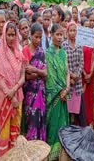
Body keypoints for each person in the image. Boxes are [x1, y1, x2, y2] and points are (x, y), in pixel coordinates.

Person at [0, 22, 26, 157]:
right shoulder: (0, 54)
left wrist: (15, 89)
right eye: (9, 35)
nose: (11, 38)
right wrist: (10, 94)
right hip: (5, 99)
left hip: (17, 97)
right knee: (5, 131)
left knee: (15, 130)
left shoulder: (19, 53)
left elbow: (23, 76)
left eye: (13, 35)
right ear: (4, 35)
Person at [45, 24, 70, 160]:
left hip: (64, 94)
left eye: (62, 35)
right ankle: (51, 154)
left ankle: (61, 154)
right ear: (52, 35)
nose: (60, 38)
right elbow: (49, 76)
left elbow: (67, 72)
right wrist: (60, 91)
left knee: (62, 124)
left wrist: (67, 88)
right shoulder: (47, 53)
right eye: (57, 35)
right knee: (53, 125)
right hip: (54, 96)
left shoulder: (63, 52)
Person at [22, 23, 47, 141]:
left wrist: (35, 70)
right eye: (36, 37)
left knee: (40, 119)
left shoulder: (41, 52)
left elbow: (46, 74)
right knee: (31, 120)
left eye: (40, 37)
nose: (38, 40)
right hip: (29, 93)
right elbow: (27, 75)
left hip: (40, 92)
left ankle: (39, 147)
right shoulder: (25, 51)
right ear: (31, 36)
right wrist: (39, 73)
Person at [62, 22, 85, 126]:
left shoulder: (80, 45)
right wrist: (70, 76)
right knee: (68, 108)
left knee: (77, 109)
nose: (72, 33)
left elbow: (81, 62)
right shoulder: (64, 45)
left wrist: (77, 75)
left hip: (77, 82)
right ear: (67, 32)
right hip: (68, 81)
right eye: (70, 30)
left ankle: (76, 129)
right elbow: (63, 63)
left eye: (74, 30)